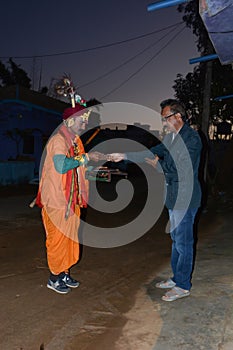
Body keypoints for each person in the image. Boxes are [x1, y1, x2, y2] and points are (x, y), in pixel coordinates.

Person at [109, 99, 202, 301]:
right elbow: (153, 152)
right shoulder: (172, 138)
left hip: (185, 198)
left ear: (178, 116)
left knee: (184, 243)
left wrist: (158, 167)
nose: (164, 122)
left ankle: (183, 285)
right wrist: (125, 155)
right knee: (176, 241)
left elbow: (182, 170)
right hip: (173, 196)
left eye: (165, 118)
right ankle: (177, 277)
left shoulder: (191, 139)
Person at [36, 103, 101, 294]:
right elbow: (61, 166)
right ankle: (54, 278)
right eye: (82, 121)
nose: (84, 124)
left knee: (69, 239)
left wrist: (91, 166)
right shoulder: (58, 140)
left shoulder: (75, 140)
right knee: (57, 240)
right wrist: (85, 159)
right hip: (57, 199)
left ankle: (64, 273)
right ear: (70, 121)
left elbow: (78, 166)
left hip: (71, 199)